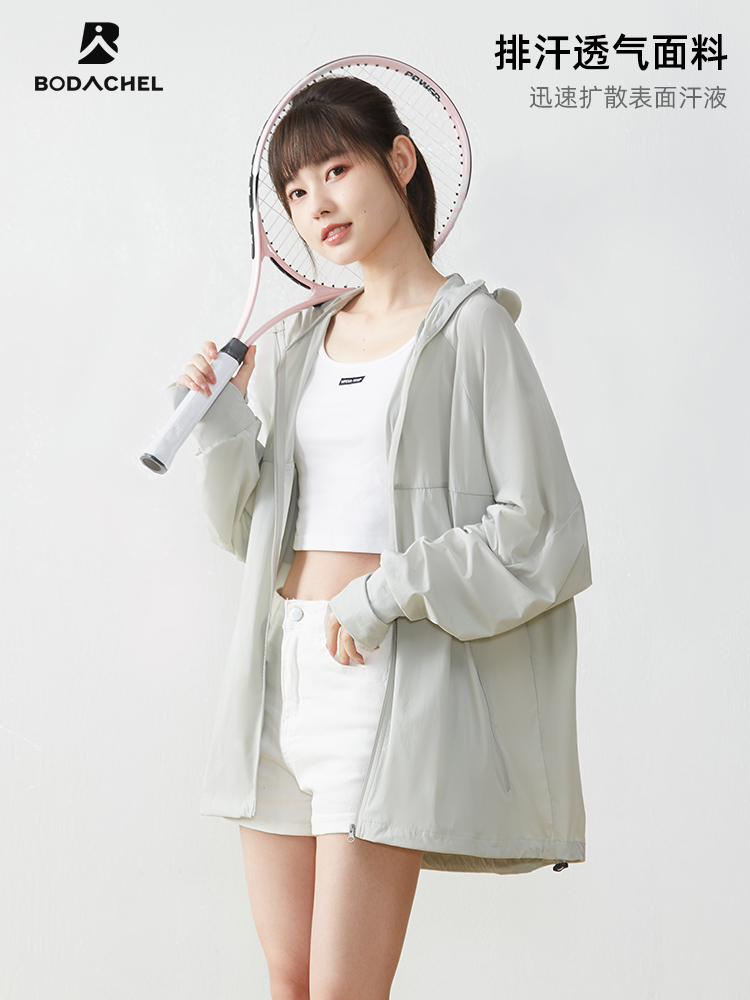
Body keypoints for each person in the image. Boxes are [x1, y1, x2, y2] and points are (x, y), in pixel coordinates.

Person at [170, 76, 592, 1000]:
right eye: (295, 190)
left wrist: (380, 594)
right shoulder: (298, 344)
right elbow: (252, 535)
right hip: (278, 675)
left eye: (336, 169)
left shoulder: (474, 330)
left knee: (342, 992)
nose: (316, 204)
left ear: (400, 160)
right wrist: (222, 422)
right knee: (289, 980)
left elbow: (543, 529)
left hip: (378, 676)